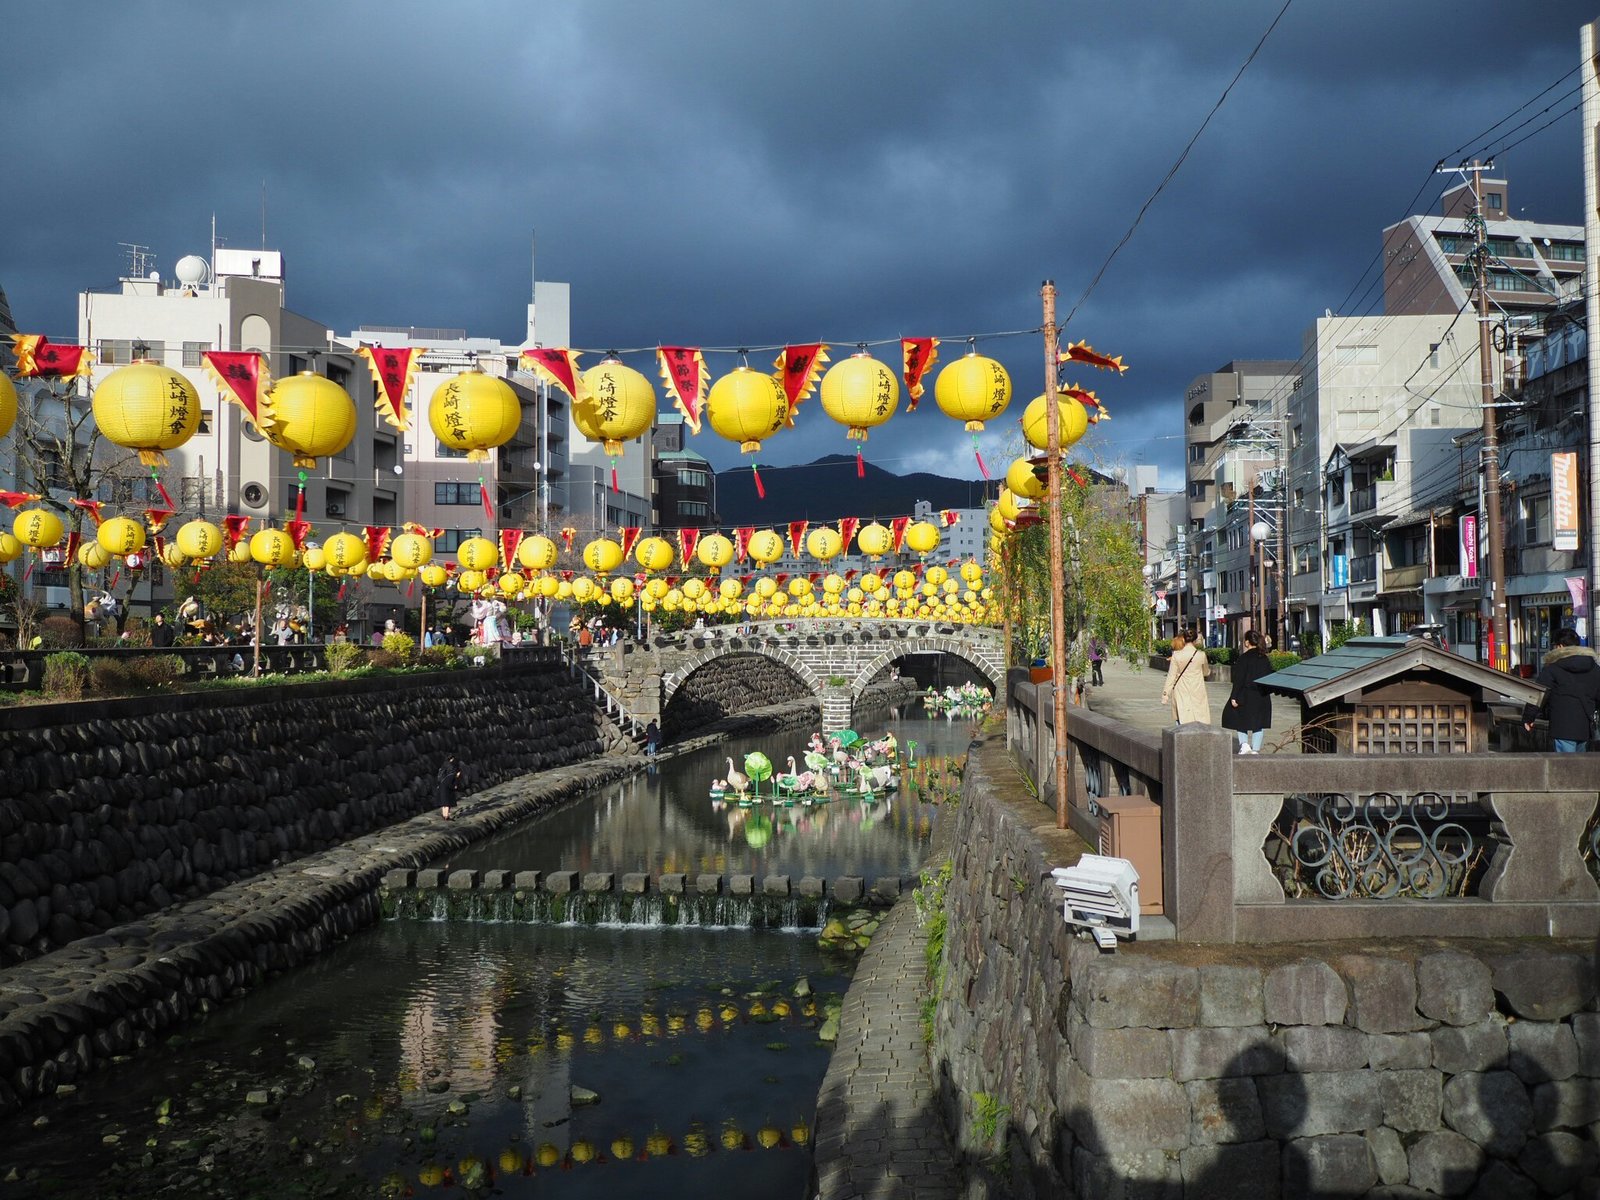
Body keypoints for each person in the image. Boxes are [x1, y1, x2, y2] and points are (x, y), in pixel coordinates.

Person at [1522, 629, 1600, 752]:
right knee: (1582, 766)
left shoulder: (1552, 668)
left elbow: (1539, 694)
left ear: (1560, 646)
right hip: (1585, 726)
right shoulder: (1594, 668)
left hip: (1562, 726)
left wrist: (1529, 717)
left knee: (1565, 765)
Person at [1223, 630, 1273, 754]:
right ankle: (1255, 749)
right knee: (1258, 723)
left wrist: (1234, 696)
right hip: (1262, 695)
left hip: (1245, 694)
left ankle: (1244, 745)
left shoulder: (1244, 658)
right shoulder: (1264, 658)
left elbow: (1238, 679)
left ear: (1247, 642)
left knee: (1240, 720)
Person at [1160, 627, 1212, 726]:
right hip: (1197, 689)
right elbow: (1205, 672)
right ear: (1196, 639)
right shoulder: (1201, 655)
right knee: (1199, 717)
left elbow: (1171, 676)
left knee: (1182, 717)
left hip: (1181, 688)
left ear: (1183, 638)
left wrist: (1165, 695)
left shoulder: (1176, 655)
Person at [436, 754, 464, 820]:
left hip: (441, 785)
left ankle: (444, 815)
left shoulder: (444, 764)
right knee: (448, 803)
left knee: (444, 803)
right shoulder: (452, 772)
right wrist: (454, 787)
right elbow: (449, 783)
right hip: (446, 788)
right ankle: (446, 816)